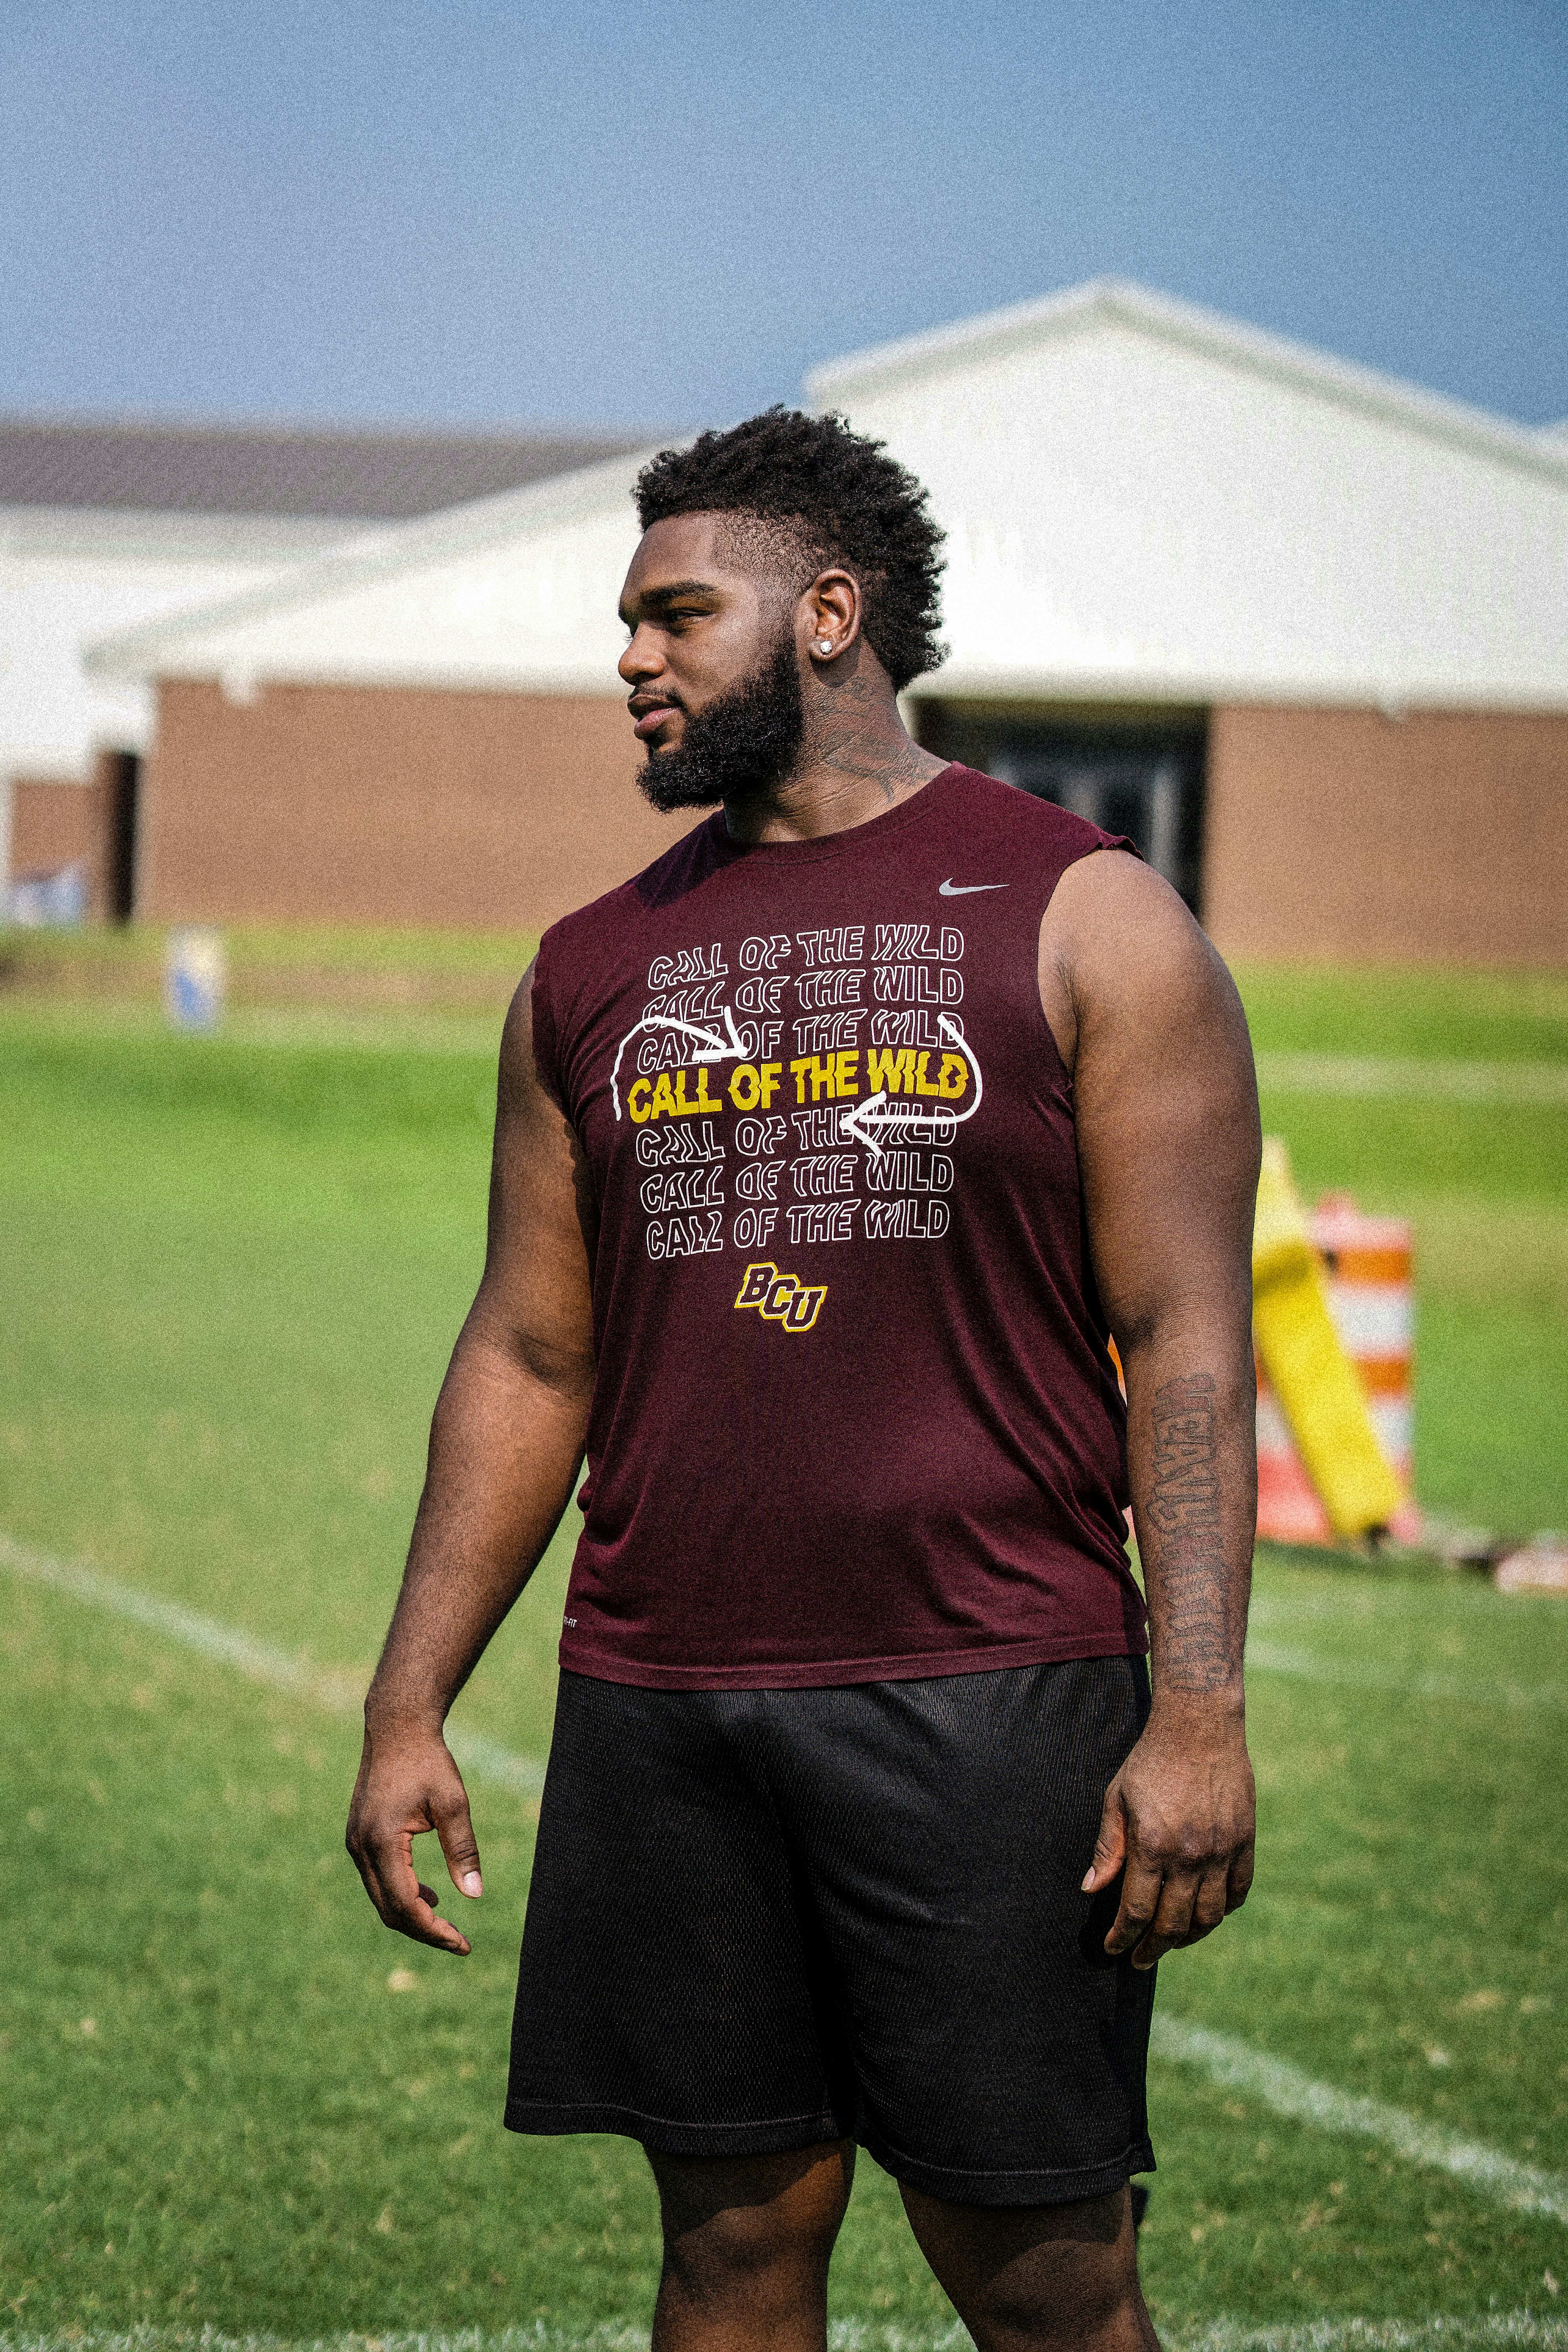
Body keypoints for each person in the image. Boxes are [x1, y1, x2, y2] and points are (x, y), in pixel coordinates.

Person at [346, 407, 1260, 2352]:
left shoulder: (1089, 917)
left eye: (678, 615)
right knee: (728, 2251)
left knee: (1043, 2273)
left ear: (828, 615)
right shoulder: (587, 968)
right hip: (668, 1700)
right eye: (626, 621)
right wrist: (409, 1698)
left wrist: (1196, 1709)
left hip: (989, 1693)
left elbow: (1185, 1339)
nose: (630, 660)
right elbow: (528, 1350)